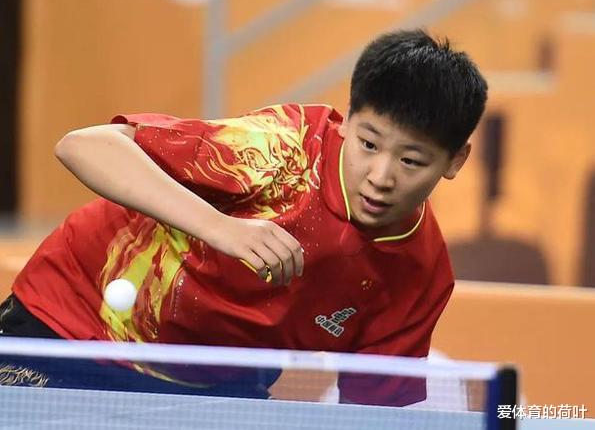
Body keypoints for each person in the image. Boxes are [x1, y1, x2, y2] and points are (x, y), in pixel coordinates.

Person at [0, 29, 487, 405]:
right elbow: (83, 146)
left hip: (211, 387)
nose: (380, 177)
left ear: (455, 162)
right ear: (348, 119)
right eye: (368, 144)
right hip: (72, 325)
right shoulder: (278, 151)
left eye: (411, 161)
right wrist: (221, 228)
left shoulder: (417, 272)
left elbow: (373, 413)